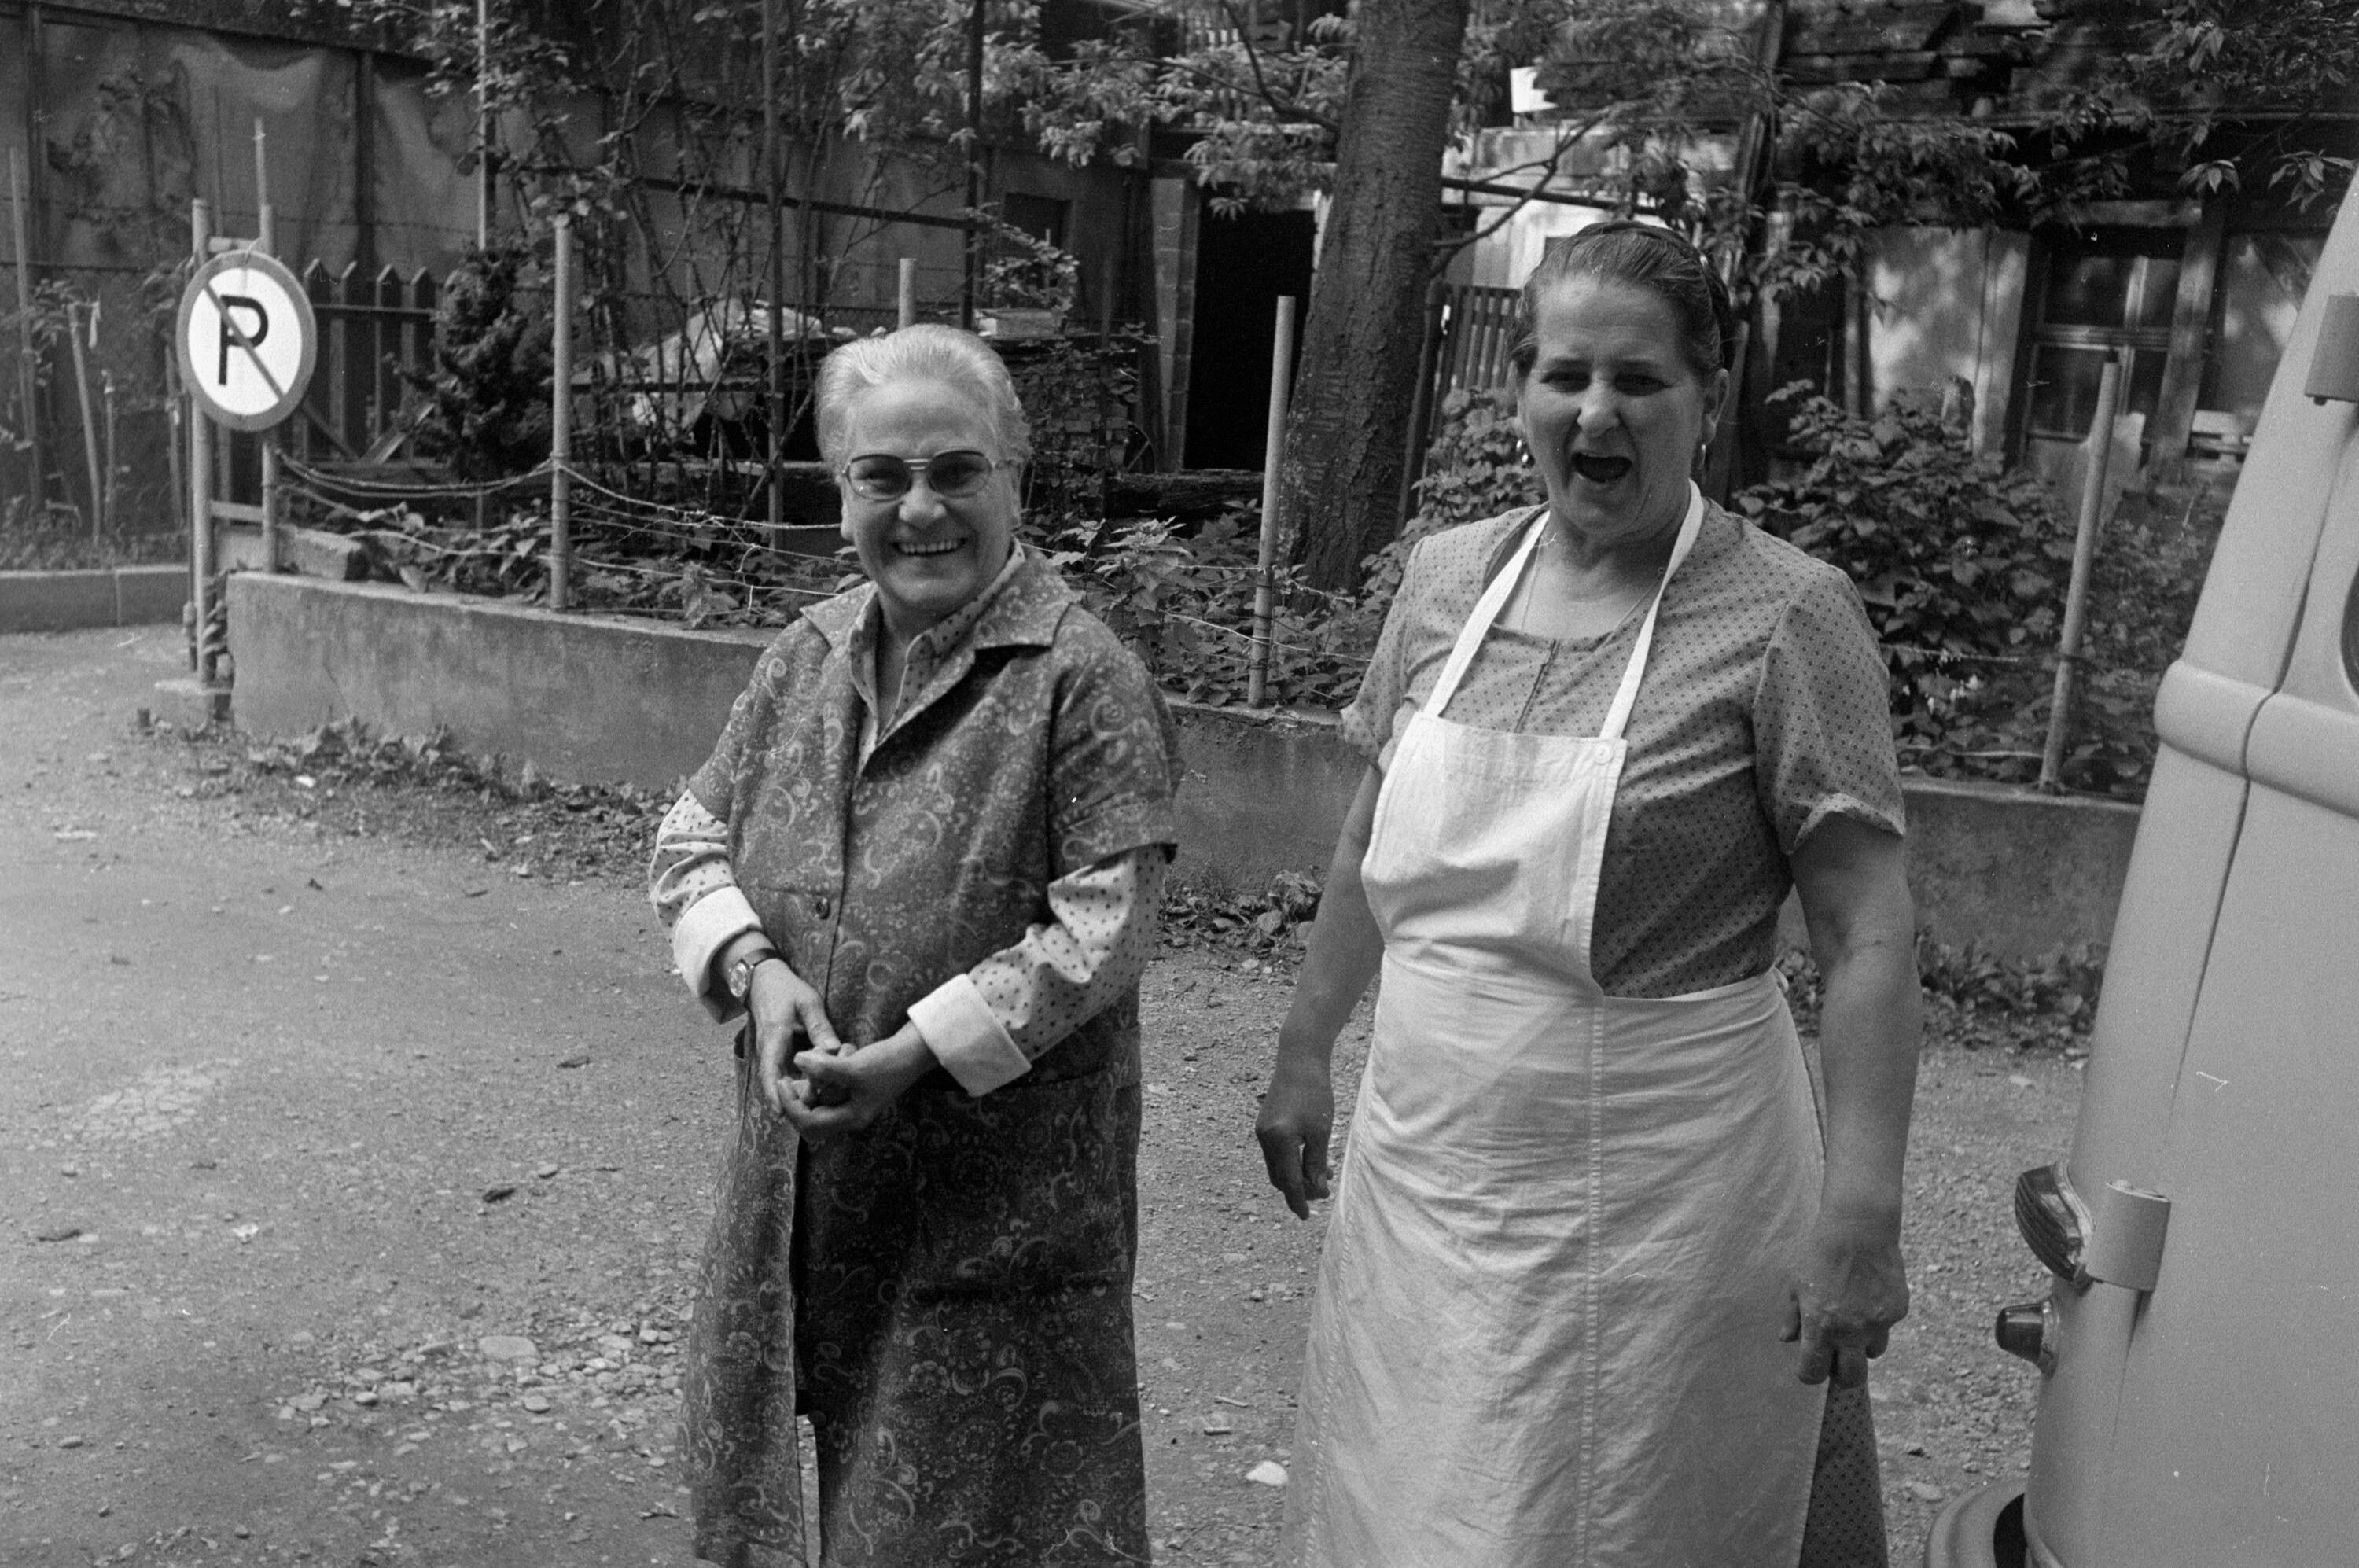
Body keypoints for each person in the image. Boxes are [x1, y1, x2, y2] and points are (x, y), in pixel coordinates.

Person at [1256, 223, 1921, 1568]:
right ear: (1521, 393)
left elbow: (1866, 930)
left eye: (1639, 380)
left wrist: (1863, 1208)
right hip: (1427, 1174)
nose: (1596, 412)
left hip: (1664, 1204)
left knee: (1629, 1521)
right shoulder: (1445, 580)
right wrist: (1305, 1046)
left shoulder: (1788, 614)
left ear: (1708, 397)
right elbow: (1371, 831)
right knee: (1417, 1500)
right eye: (1565, 375)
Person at [649, 323, 1183, 1567]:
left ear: (1015, 479)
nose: (921, 508)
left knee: (970, 1526)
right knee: (799, 1501)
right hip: (805, 1189)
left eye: (956, 470)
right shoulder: (806, 656)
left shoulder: (1081, 678)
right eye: (882, 475)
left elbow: (1105, 925)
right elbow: (687, 840)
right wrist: (759, 973)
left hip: (989, 1210)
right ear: (842, 491)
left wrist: (910, 1054)